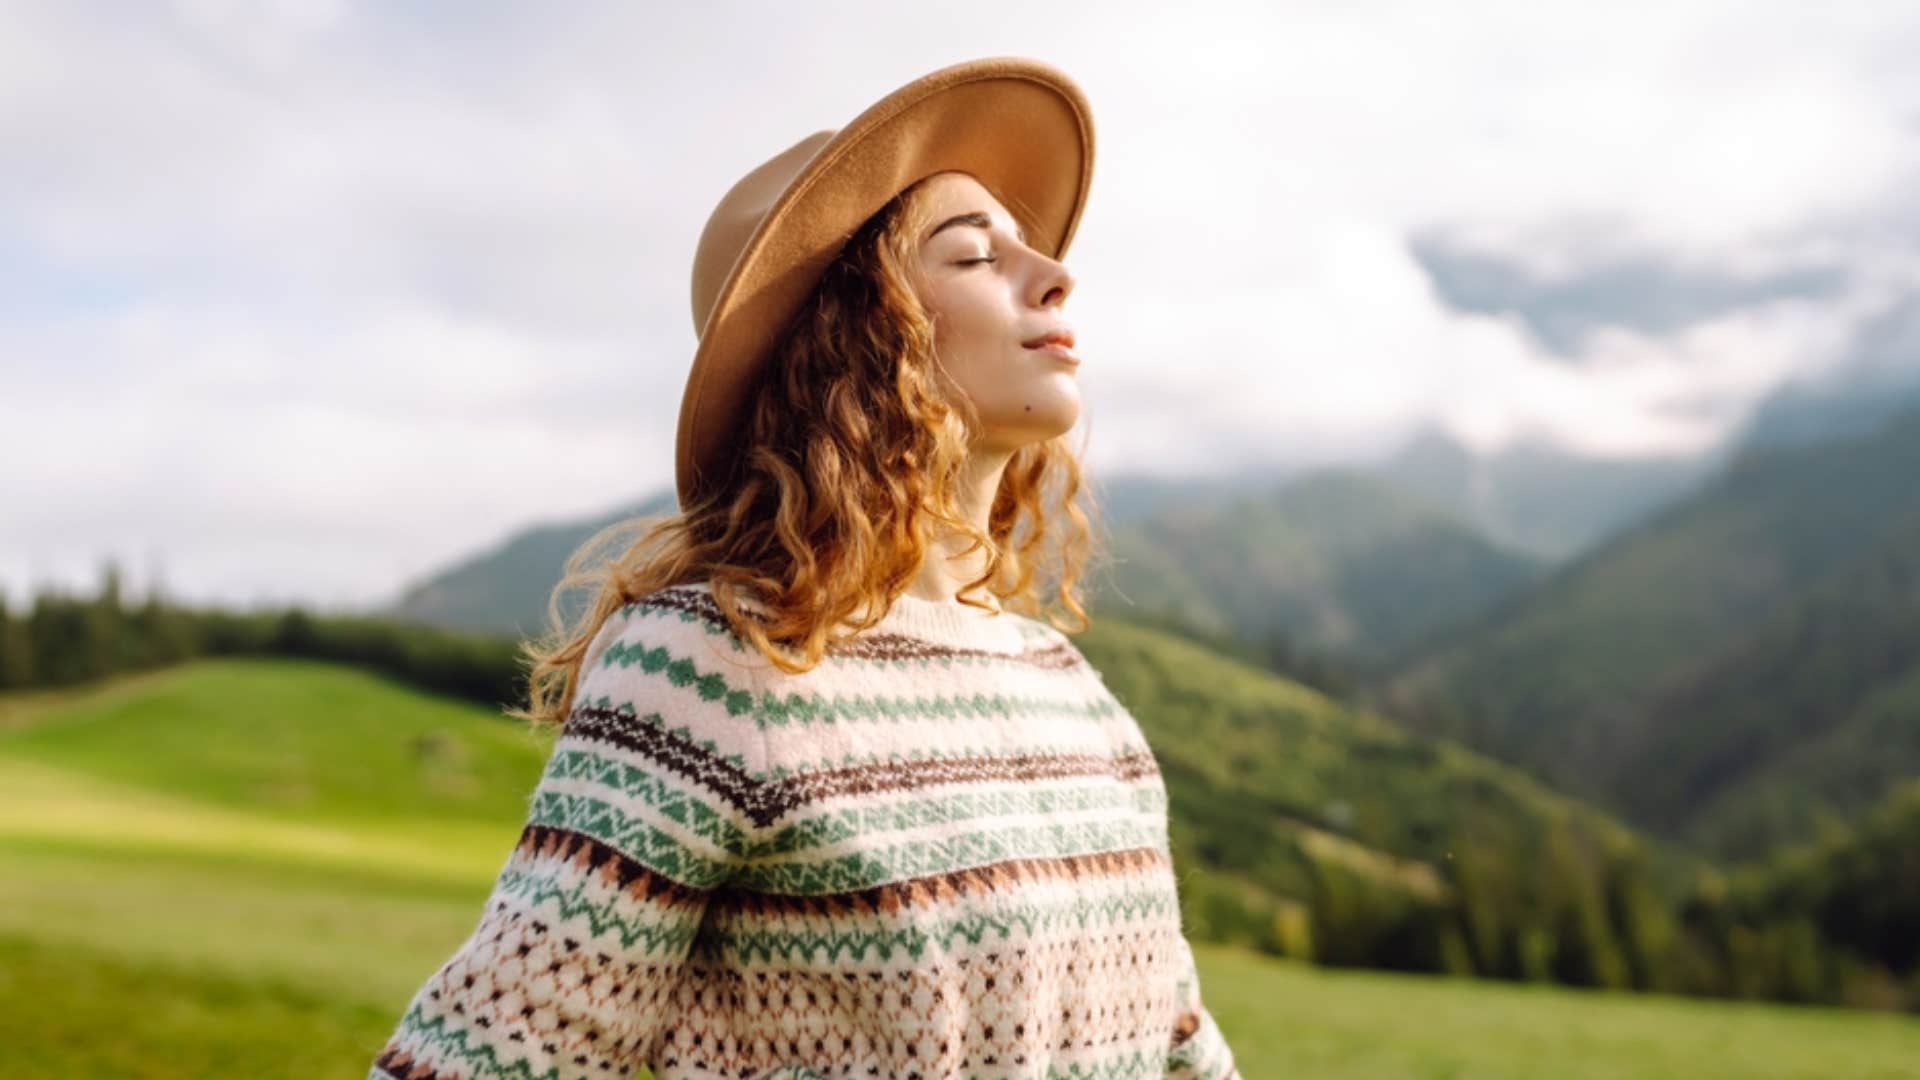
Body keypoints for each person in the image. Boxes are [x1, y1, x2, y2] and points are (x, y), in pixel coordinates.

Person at [369, 56, 1240, 1080]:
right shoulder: (710, 664)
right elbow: (489, 1056)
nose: (1052, 273)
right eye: (973, 256)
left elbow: (1180, 1043)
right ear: (861, 339)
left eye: (1027, 245)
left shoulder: (1073, 698)